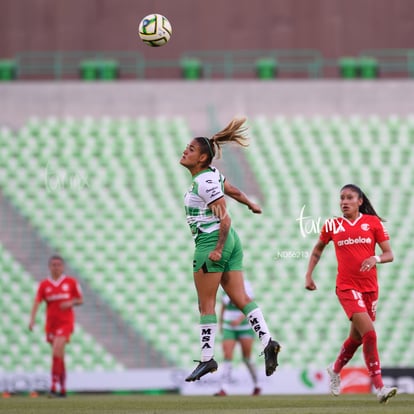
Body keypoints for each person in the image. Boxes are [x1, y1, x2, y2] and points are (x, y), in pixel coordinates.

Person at [180, 116, 281, 382]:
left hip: (212, 241)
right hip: (231, 242)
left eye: (190, 149)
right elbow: (232, 189)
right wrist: (250, 203)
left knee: (206, 304)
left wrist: (217, 249)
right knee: (240, 298)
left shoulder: (203, 181)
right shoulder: (212, 176)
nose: (185, 151)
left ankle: (206, 359)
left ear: (202, 158)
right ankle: (268, 341)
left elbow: (224, 217)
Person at [305, 184, 398, 404]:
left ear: (360, 201)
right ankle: (380, 387)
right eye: (341, 198)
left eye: (349, 198)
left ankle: (335, 369)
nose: (344, 202)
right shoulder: (333, 225)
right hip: (347, 287)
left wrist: (374, 258)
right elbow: (318, 249)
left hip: (370, 289)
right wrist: (309, 275)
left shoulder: (372, 223)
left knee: (356, 338)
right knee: (370, 334)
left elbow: (389, 254)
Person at [29, 255, 83, 397]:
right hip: (51, 324)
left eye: (58, 265)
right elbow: (37, 301)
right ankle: (63, 389)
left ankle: (53, 387)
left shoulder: (71, 282)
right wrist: (32, 319)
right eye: (53, 265)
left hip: (66, 323)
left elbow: (80, 299)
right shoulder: (44, 285)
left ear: (63, 267)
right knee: (59, 356)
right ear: (49, 267)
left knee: (56, 351)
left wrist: (70, 303)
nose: (56, 267)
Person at [215, 279, 261, 396]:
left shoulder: (246, 285)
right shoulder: (224, 284)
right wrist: (221, 323)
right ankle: (224, 388)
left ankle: (257, 384)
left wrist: (239, 320)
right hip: (228, 326)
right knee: (227, 355)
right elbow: (224, 307)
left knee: (246, 358)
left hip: (245, 326)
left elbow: (249, 305)